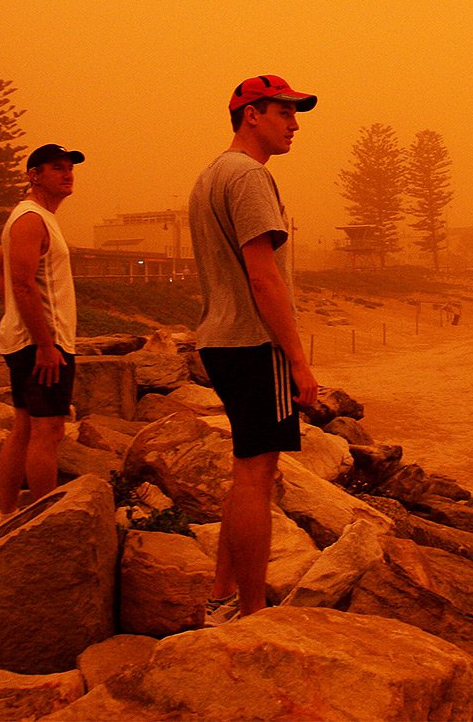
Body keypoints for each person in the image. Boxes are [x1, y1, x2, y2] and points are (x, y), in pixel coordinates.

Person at [189, 75, 320, 619]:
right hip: (252, 341)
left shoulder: (210, 176)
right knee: (255, 476)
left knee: (246, 469)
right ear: (251, 115)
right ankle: (251, 609)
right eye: (284, 112)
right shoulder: (247, 178)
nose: (294, 124)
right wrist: (298, 360)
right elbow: (263, 277)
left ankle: (222, 596)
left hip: (220, 339)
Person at [0, 143, 84, 519]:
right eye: (56, 168)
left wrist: (14, 310)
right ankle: (47, 522)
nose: (67, 174)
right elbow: (22, 282)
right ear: (34, 175)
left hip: (26, 339)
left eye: (70, 168)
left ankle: (7, 512)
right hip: (42, 344)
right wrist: (46, 345)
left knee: (25, 427)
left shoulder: (32, 217)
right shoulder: (31, 219)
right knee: (49, 433)